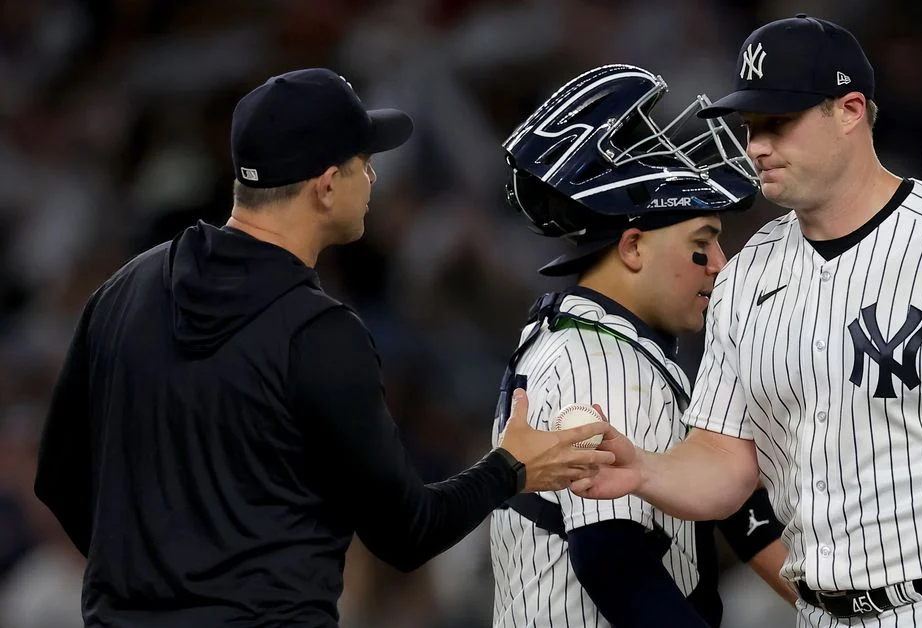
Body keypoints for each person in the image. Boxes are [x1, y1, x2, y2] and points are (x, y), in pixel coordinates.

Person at [570, 15, 922, 628]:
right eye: (750, 126)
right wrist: (645, 471)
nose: (757, 145)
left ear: (849, 110)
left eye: (778, 123)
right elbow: (726, 463)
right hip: (821, 612)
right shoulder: (745, 276)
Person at [32, 67, 615, 628]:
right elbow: (406, 533)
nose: (374, 179)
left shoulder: (122, 292)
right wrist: (508, 470)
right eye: (364, 163)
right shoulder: (317, 331)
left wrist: (151, 585)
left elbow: (59, 478)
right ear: (327, 185)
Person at [489, 63, 795, 628]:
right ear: (633, 248)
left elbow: (737, 514)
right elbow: (612, 560)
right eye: (702, 242)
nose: (719, 266)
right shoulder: (601, 362)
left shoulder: (603, 342)